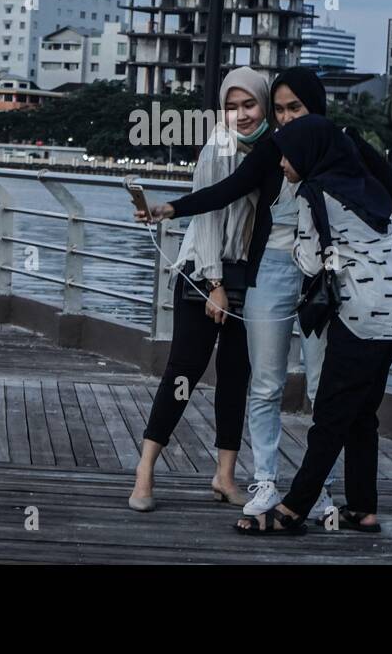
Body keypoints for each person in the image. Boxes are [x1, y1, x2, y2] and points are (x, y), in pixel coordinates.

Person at [139, 66, 392, 520]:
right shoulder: (273, 149)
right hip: (269, 268)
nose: (286, 119)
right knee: (265, 382)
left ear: (316, 108)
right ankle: (265, 481)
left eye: (296, 108)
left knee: (322, 384)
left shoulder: (340, 144)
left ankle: (319, 488)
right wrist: (171, 209)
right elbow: (226, 190)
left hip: (324, 276)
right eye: (281, 109)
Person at [235, 114, 392, 535]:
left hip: (360, 316)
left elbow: (311, 261)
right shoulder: (367, 184)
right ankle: (363, 507)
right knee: (362, 415)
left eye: (287, 157)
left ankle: (294, 508)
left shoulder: (313, 193)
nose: (281, 165)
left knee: (330, 417)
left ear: (309, 155)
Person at [128, 68, 266, 512]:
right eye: (232, 106)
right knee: (184, 371)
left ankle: (224, 475)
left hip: (250, 276)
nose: (241, 115)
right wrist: (214, 284)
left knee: (235, 376)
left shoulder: (272, 149)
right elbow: (206, 216)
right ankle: (146, 467)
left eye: (249, 105)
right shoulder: (219, 146)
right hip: (203, 273)